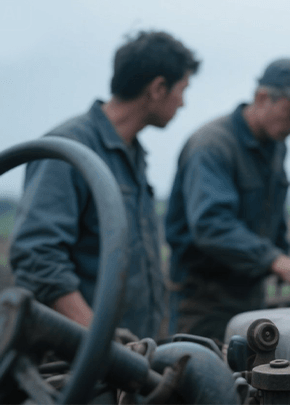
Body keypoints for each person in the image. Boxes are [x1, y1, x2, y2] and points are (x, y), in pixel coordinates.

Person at [9, 31, 199, 339]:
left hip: (128, 357)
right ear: (158, 88)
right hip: (75, 361)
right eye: (182, 89)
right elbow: (37, 257)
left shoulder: (133, 155)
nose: (183, 102)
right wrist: (99, 340)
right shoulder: (68, 150)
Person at [164, 58, 290, 340]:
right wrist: (280, 263)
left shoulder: (275, 147)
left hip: (250, 295)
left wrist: (285, 260)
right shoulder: (213, 146)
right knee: (205, 376)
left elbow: (274, 214)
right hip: (203, 302)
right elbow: (211, 225)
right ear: (262, 98)